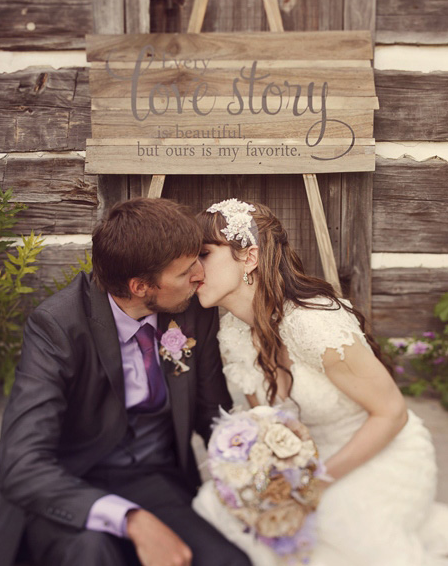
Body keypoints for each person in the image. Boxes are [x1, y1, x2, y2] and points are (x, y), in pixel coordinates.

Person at [0, 197, 252, 566]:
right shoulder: (58, 327)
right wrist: (132, 520)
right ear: (140, 286)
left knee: (227, 562)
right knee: (94, 556)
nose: (200, 275)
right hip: (71, 483)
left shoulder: (191, 311)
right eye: (185, 270)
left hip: (155, 480)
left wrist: (253, 470)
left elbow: (211, 414)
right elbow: (21, 462)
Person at [192, 198, 448, 566]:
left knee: (333, 536)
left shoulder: (313, 323)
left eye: (204, 253)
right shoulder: (232, 330)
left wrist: (315, 485)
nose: (193, 268)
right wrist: (270, 479)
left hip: (379, 452)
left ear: (248, 257)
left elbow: (392, 414)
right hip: (308, 465)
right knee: (216, 509)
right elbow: (269, 427)